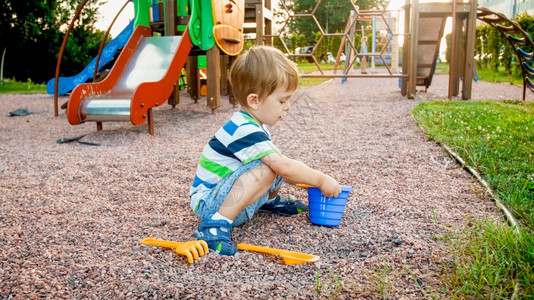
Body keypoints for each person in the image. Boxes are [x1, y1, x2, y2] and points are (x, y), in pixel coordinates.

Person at [189, 45, 342, 255]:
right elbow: (283, 167)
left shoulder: (254, 125)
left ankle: (268, 202)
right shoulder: (243, 129)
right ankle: (215, 224)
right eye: (282, 100)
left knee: (275, 161)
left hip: (226, 195)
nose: (288, 106)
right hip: (210, 204)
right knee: (273, 166)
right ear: (254, 100)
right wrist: (321, 180)